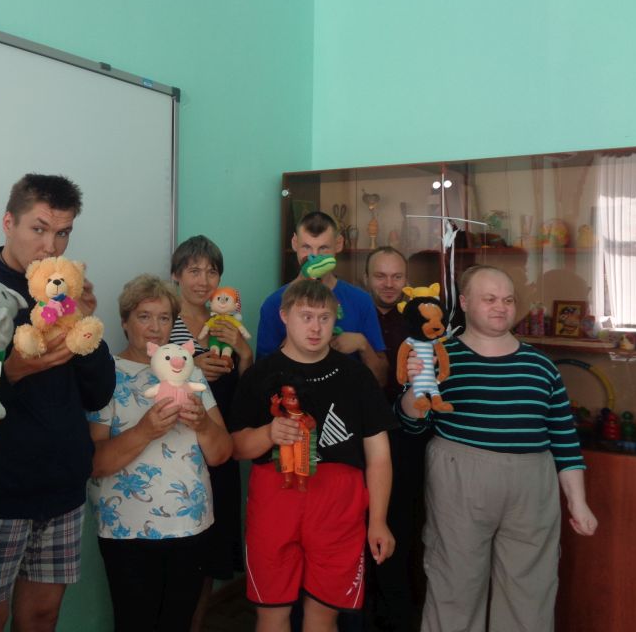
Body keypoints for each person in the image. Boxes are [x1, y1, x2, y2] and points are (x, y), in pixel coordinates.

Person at [0, 173, 115, 632]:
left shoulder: (67, 289)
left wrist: (87, 326)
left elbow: (99, 392)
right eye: (39, 228)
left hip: (63, 485)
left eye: (63, 232)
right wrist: (12, 371)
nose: (51, 246)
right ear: (8, 222)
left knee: (42, 615)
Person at [398, 265, 598, 632]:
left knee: (531, 589)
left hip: (532, 485)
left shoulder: (541, 366)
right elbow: (412, 425)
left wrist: (578, 501)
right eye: (489, 299)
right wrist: (415, 387)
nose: (500, 307)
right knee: (454, 584)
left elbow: (564, 439)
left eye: (507, 300)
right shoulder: (441, 356)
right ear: (464, 303)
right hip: (459, 480)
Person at [231, 278, 396, 632]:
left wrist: (379, 520)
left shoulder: (356, 376)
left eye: (324, 318)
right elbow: (236, 447)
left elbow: (379, 455)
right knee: (271, 613)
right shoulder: (260, 376)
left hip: (340, 506)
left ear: (335, 319)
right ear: (284, 316)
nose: (315, 327)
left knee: (323, 615)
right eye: (306, 316)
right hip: (274, 504)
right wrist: (268, 434)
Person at [87, 274, 233, 631]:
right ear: (125, 321)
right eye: (144, 316)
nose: (155, 327)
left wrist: (203, 425)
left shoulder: (190, 372)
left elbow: (221, 454)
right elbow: (94, 463)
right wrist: (144, 431)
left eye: (164, 317)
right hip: (127, 531)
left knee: (177, 623)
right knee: (134, 623)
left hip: (191, 526)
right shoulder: (106, 374)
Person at [167, 236, 249, 631]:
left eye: (211, 271)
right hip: (176, 452)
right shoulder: (164, 320)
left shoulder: (227, 323)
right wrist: (192, 364)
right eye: (194, 270)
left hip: (220, 448)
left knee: (211, 553)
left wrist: (245, 353)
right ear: (176, 275)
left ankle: (197, 625)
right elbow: (147, 375)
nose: (203, 280)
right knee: (178, 551)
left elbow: (249, 392)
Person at [363, 248, 424, 632]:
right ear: (365, 278)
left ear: (406, 280)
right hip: (359, 438)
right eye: (380, 276)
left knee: (401, 526)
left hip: (405, 437)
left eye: (397, 276)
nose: (389, 284)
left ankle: (398, 615)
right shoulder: (352, 316)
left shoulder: (418, 320)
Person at [257, 211, 386, 386]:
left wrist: (362, 344)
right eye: (306, 247)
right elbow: (262, 379)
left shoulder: (361, 301)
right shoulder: (273, 303)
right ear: (294, 243)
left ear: (338, 244)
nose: (314, 257)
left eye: (323, 248)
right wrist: (294, 340)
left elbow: (381, 380)